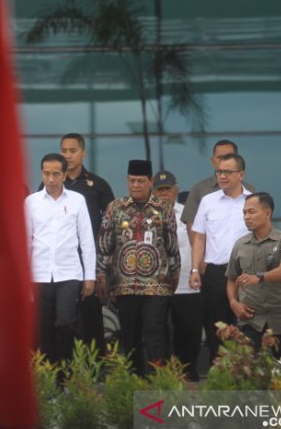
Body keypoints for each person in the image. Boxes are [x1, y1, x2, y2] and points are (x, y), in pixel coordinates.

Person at [97, 160, 180, 376]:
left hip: (156, 286)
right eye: (132, 181)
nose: (136, 185)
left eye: (141, 181)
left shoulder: (164, 210)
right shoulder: (115, 208)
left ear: (150, 182)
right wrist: (101, 277)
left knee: (154, 333)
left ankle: (158, 381)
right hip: (124, 286)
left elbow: (172, 249)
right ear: (127, 181)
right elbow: (104, 247)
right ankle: (135, 380)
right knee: (129, 335)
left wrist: (173, 280)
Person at [226, 192, 281, 385]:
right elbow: (231, 279)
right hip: (252, 320)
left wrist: (259, 277)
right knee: (250, 375)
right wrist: (234, 303)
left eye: (252, 212)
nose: (247, 217)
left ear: (267, 213)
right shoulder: (240, 244)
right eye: (244, 213)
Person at [25, 153, 96, 363]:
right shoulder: (31, 202)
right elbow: (26, 242)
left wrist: (89, 276)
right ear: (41, 174)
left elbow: (87, 240)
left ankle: (66, 373)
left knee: (65, 323)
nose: (51, 179)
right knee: (44, 328)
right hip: (39, 275)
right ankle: (51, 379)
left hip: (69, 273)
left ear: (64, 175)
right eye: (46, 173)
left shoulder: (77, 201)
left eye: (56, 174)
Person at [189, 153, 252, 364]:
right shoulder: (208, 201)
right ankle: (220, 375)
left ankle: (247, 373)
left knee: (248, 326)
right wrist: (195, 270)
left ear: (241, 174)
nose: (222, 176)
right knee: (217, 328)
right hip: (216, 273)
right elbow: (199, 237)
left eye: (227, 172)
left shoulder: (252, 202)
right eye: (219, 171)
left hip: (246, 274)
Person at [58, 133, 115, 351]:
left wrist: (103, 268)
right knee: (63, 318)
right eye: (64, 150)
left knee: (91, 315)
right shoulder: (52, 185)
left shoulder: (97, 185)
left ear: (83, 153)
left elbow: (111, 227)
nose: (68, 155)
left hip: (90, 261)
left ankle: (97, 368)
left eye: (72, 151)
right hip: (61, 262)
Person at [151, 170, 202, 381]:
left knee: (189, 331)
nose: (164, 194)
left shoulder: (188, 214)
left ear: (176, 190)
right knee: (158, 332)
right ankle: (162, 376)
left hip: (186, 282)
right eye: (159, 190)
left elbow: (199, 243)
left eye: (168, 189)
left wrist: (197, 270)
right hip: (156, 284)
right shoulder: (145, 215)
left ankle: (188, 373)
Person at [180, 140, 255, 244]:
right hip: (213, 259)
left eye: (228, 156)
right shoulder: (199, 190)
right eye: (219, 157)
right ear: (213, 161)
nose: (224, 161)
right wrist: (200, 258)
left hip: (245, 257)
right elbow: (192, 226)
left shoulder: (250, 191)